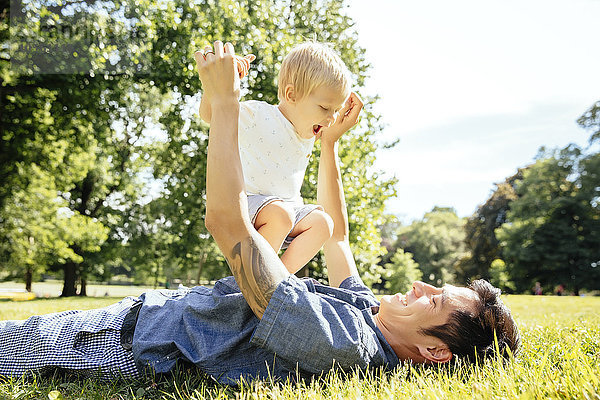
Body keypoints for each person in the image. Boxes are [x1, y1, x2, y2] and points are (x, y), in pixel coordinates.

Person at [0, 41, 520, 385]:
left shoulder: (348, 344)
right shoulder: (368, 314)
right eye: (439, 285)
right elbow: (335, 238)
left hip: (138, 345)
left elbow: (228, 223)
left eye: (437, 303)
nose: (424, 287)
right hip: (156, 315)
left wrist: (223, 106)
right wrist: (330, 145)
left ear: (435, 353)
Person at [198, 41, 352, 274]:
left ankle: (278, 280)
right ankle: (256, 279)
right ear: (291, 95)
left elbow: (330, 136)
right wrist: (218, 86)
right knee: (279, 216)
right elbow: (212, 114)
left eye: (336, 110)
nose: (331, 118)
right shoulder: (260, 115)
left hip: (287, 208)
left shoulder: (308, 132)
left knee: (323, 223)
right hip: (250, 203)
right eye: (324, 108)